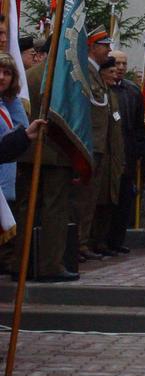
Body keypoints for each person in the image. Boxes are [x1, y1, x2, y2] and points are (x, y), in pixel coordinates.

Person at [12, 53, 77, 282]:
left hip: (27, 150)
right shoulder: (63, 77)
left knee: (25, 209)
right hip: (56, 152)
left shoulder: (28, 75)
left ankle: (20, 263)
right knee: (54, 211)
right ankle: (50, 264)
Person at [75, 25, 112, 262]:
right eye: (105, 45)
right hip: (89, 146)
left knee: (90, 200)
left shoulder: (96, 73)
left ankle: (82, 241)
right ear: (92, 47)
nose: (109, 49)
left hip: (98, 146)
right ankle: (77, 242)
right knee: (83, 199)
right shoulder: (86, 72)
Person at [107, 50, 145, 254]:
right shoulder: (104, 88)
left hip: (128, 155)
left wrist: (138, 150)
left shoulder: (132, 91)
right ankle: (103, 241)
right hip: (109, 155)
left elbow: (139, 126)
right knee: (108, 201)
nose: (120, 67)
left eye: (124, 63)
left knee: (124, 200)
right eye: (116, 63)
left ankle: (117, 240)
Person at [90, 57, 125, 257]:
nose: (115, 75)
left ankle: (101, 241)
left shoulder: (112, 95)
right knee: (95, 201)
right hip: (100, 155)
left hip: (113, 157)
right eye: (110, 71)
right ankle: (86, 243)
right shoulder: (99, 93)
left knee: (109, 201)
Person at [0, 53, 30, 205]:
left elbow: (23, 127)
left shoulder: (6, 104)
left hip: (6, 186)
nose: (1, 77)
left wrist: (11, 96)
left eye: (7, 73)